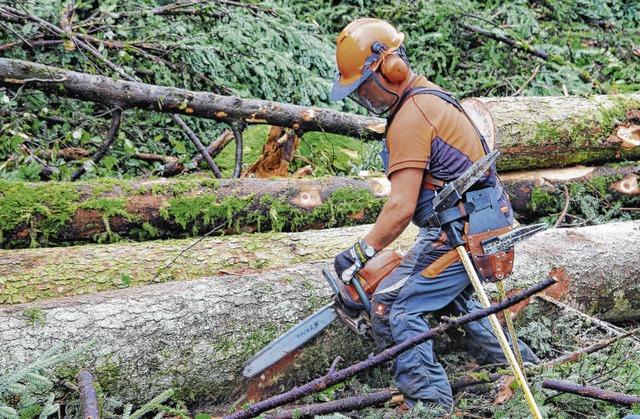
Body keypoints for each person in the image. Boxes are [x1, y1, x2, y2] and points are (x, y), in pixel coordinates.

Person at [329, 18, 540, 413]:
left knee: (393, 305)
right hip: (477, 220)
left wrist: (360, 252)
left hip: (461, 230)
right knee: (455, 297)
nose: (367, 99)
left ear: (391, 69)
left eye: (366, 88)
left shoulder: (412, 116)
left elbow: (400, 207)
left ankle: (429, 405)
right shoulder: (428, 97)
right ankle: (527, 368)